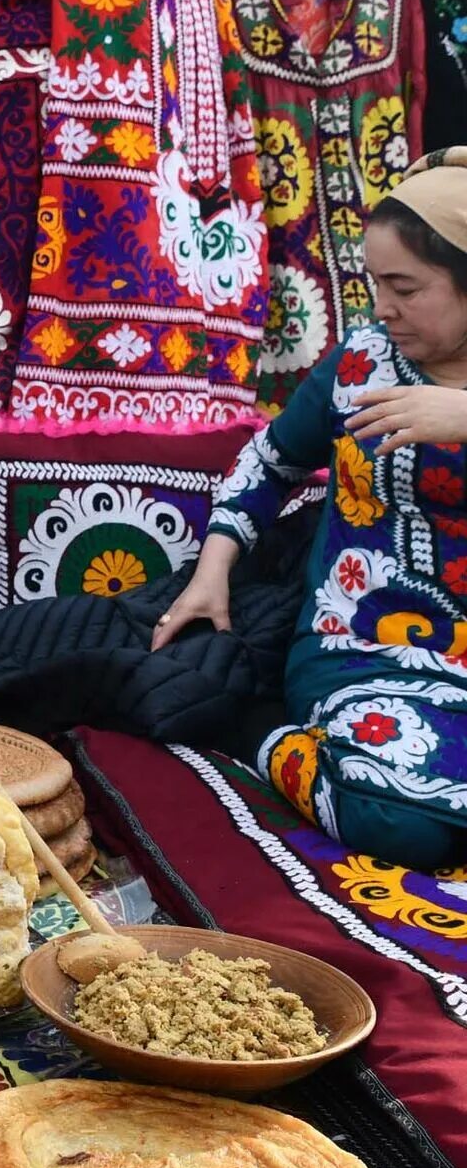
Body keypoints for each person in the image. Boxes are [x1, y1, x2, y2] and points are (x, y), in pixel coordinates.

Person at [155, 148, 467, 866]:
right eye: (374, 284)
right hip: (365, 645)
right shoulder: (361, 365)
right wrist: (213, 569)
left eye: (406, 287)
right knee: (396, 824)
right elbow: (269, 463)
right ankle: (256, 728)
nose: (381, 306)